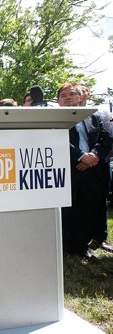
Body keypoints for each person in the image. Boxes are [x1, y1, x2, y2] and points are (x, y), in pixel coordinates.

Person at [57, 82, 112, 263]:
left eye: (72, 94)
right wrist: (80, 157)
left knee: (87, 210)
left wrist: (93, 157)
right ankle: (65, 248)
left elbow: (106, 138)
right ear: (58, 101)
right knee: (68, 212)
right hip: (68, 170)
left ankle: (82, 247)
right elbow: (57, 139)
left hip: (92, 170)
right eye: (63, 96)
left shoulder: (93, 116)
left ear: (80, 97)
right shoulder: (54, 118)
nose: (69, 98)